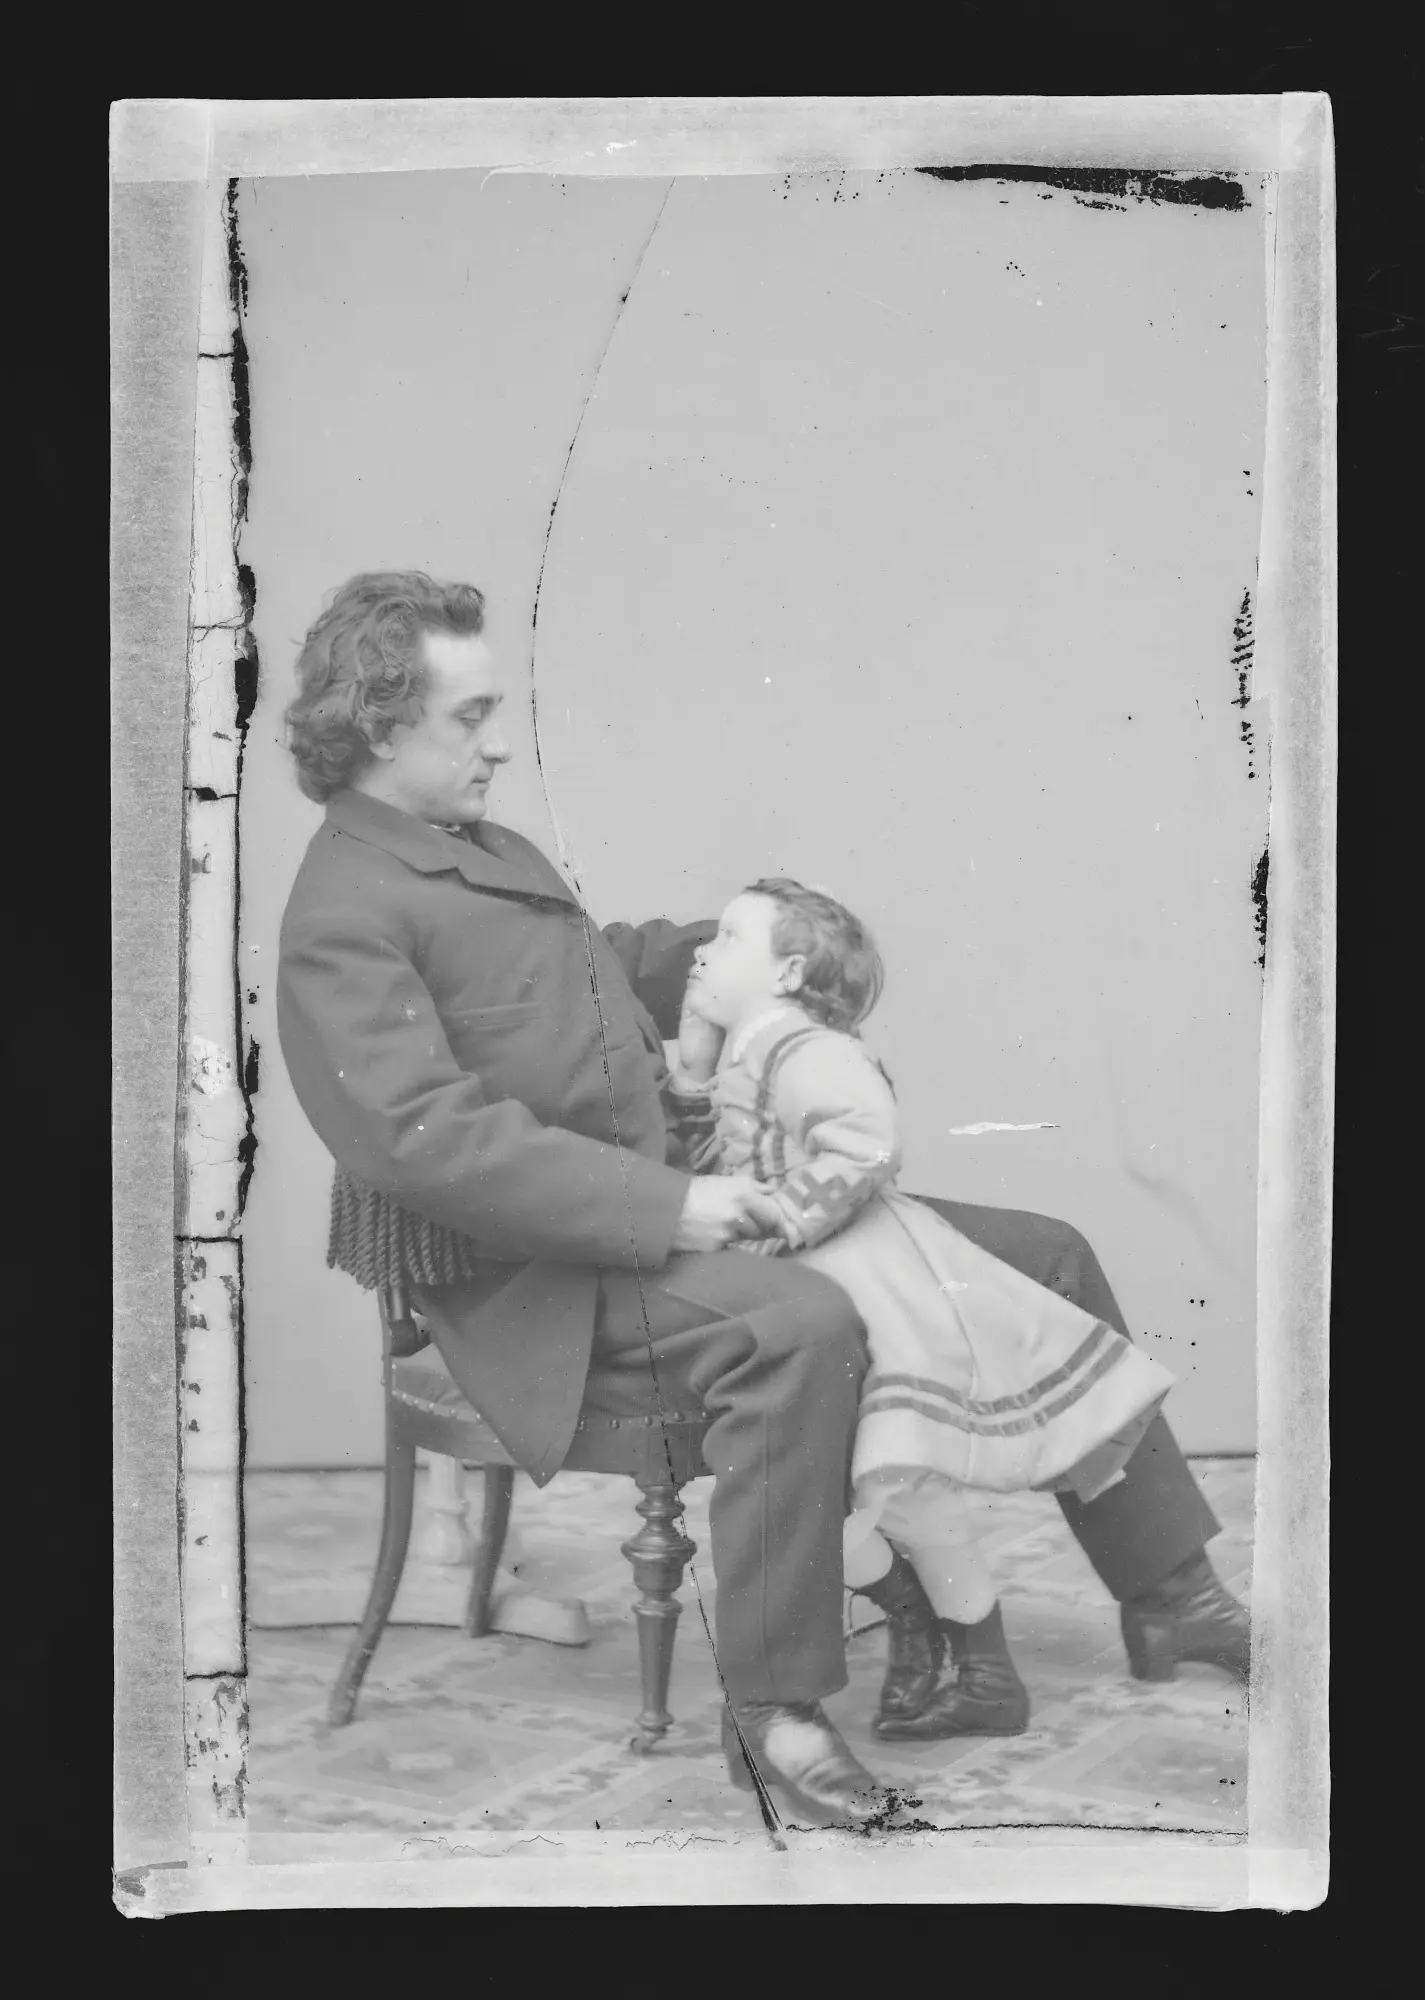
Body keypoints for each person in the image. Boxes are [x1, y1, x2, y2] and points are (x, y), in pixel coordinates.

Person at [275, 572, 1250, 1825]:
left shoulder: (479, 848)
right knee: (798, 1323)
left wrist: (761, 944)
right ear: (376, 722)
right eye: (471, 715)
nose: (500, 740)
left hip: (663, 1207)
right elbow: (425, 1139)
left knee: (1042, 1251)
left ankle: (1172, 1594)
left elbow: (588, 971)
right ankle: (776, 1710)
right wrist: (664, 1207)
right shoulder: (342, 910)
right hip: (540, 1283)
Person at [668, 879, 1177, 1739]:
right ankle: (919, 1618)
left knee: (899, 1482)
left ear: (787, 973)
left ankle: (984, 1670)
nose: (700, 951)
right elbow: (727, 1148)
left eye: (725, 938)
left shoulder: (806, 1049)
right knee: (824, 1496)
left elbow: (866, 1143)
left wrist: (778, 1220)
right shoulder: (752, 1047)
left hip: (858, 1276)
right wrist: (691, 1069)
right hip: (806, 1281)